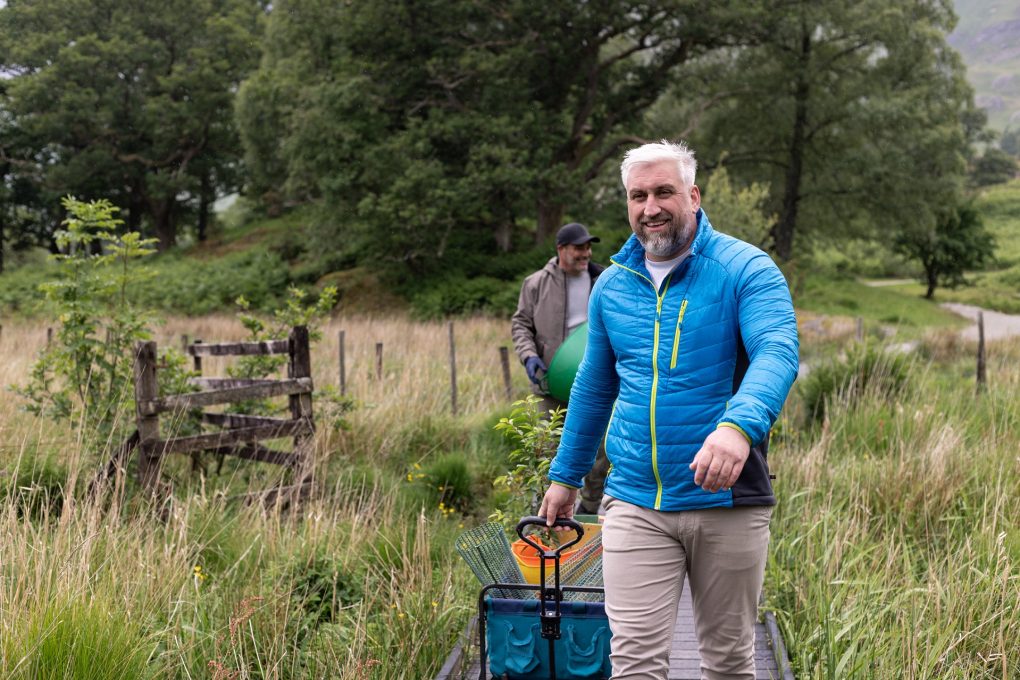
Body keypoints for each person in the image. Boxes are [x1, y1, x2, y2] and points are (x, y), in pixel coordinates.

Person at [538, 140, 799, 679]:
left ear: (694, 196)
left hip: (725, 498)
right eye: (638, 195)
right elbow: (592, 386)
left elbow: (778, 351)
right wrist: (565, 476)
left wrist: (737, 426)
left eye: (664, 192)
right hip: (634, 497)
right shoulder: (612, 285)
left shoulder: (746, 269)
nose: (650, 207)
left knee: (727, 661)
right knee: (633, 661)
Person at [511, 222, 610, 514]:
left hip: (595, 384)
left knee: (600, 449)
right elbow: (521, 324)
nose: (586, 253)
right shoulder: (536, 283)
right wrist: (529, 356)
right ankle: (544, 515)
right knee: (547, 448)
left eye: (588, 247)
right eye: (579, 248)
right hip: (550, 385)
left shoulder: (603, 280)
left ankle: (589, 509)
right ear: (561, 250)